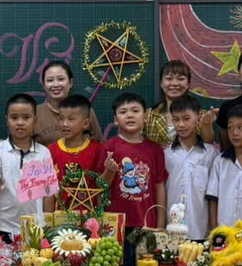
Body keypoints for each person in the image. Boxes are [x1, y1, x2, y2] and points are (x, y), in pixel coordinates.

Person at [0, 93, 56, 240]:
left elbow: (48, 194)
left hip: (36, 227)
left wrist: (48, 227)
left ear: (35, 120)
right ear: (7, 120)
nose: (20, 122)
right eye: (14, 118)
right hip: (3, 227)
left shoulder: (43, 153)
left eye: (26, 117)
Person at [103, 92, 168, 252]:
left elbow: (159, 187)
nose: (129, 115)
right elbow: (100, 187)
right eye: (123, 112)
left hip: (146, 223)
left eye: (135, 111)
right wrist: (110, 171)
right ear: (116, 119)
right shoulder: (108, 147)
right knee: (117, 265)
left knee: (145, 265)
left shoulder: (155, 150)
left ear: (145, 117)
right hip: (115, 223)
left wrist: (160, 224)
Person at [163, 94, 219, 239]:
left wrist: (213, 227)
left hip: (202, 229)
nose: (181, 124)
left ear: (198, 119)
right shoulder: (167, 154)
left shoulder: (210, 153)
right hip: (172, 229)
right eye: (176, 119)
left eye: (186, 119)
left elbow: (215, 192)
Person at [146, 60, 216, 147]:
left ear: (188, 84)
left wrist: (207, 124)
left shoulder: (201, 114)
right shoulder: (148, 115)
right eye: (169, 78)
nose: (175, 83)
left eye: (181, 79)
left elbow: (208, 143)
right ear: (161, 83)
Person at [35, 60, 103, 145]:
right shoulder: (35, 113)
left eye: (60, 79)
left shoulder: (85, 110)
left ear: (70, 83)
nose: (55, 84)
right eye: (50, 80)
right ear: (44, 86)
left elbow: (99, 144)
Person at [49, 94, 108, 186]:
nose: (64, 124)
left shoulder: (98, 150)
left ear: (85, 124)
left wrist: (110, 171)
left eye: (71, 119)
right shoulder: (51, 150)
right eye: (61, 118)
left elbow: (102, 186)